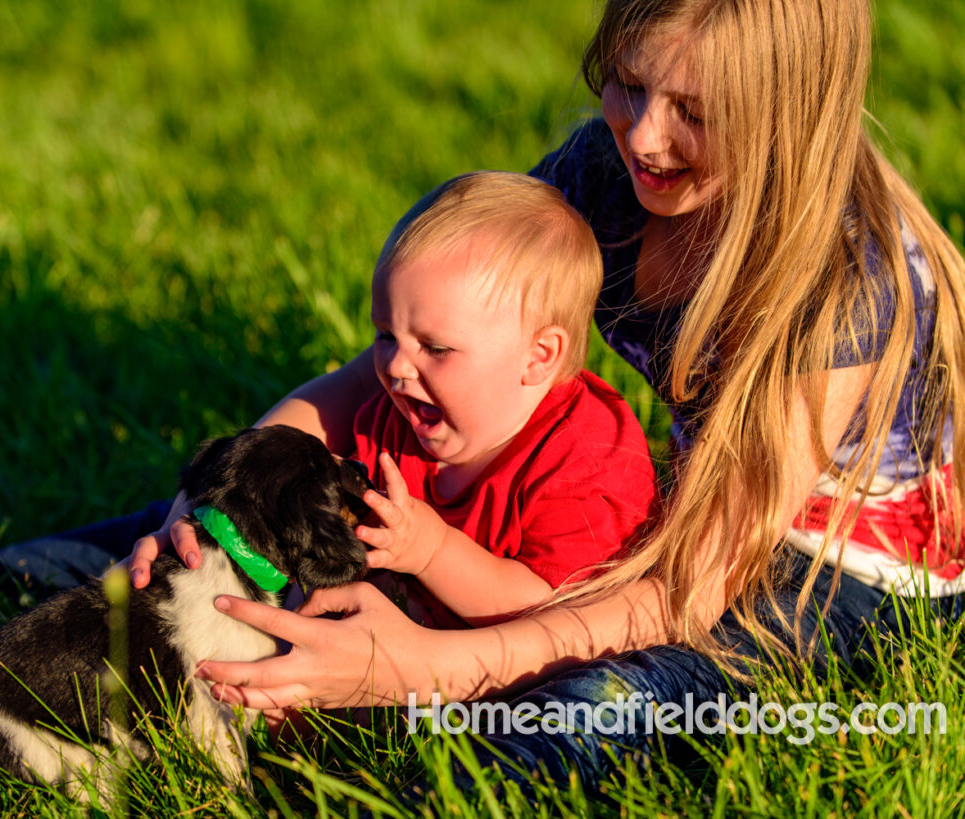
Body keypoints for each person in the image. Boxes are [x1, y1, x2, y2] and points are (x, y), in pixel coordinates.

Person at [134, 0, 965, 789]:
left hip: (839, 570)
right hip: (706, 505)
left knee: (584, 710)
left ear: (792, 117)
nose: (644, 135)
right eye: (629, 84)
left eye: (695, 113)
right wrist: (215, 506)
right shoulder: (607, 176)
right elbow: (365, 382)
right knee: (219, 537)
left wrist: (428, 666)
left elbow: (697, 584)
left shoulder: (845, 283)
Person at [350, 171, 657, 626]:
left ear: (538, 357)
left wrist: (430, 550)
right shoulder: (395, 425)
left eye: (435, 348)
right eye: (385, 335)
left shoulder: (587, 462)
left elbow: (551, 613)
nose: (396, 365)